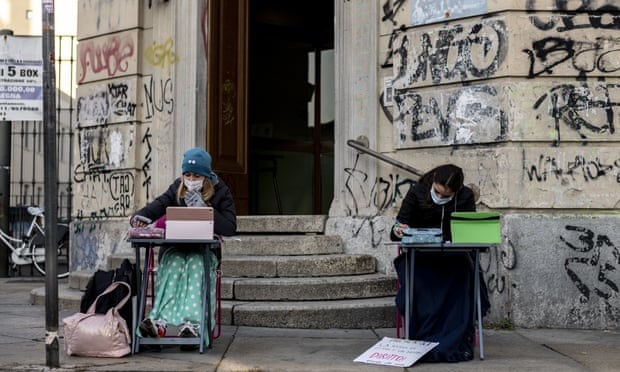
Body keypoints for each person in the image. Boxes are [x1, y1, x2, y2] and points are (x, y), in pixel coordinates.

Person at [130, 147, 237, 348]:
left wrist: (207, 211)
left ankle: (193, 325)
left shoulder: (221, 190)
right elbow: (158, 205)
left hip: (204, 251)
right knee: (173, 266)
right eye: (187, 174)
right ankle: (157, 322)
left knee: (196, 266)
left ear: (206, 176)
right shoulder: (177, 187)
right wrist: (139, 217)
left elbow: (231, 227)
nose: (190, 178)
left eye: (196, 175)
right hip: (176, 248)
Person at [391, 164, 490, 362]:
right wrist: (400, 229)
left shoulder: (465, 196)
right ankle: (423, 335)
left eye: (446, 196)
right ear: (433, 181)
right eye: (437, 192)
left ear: (457, 191)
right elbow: (397, 230)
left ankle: (456, 337)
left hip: (454, 256)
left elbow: (469, 230)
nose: (441, 197)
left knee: (463, 276)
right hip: (420, 256)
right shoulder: (417, 192)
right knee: (419, 282)